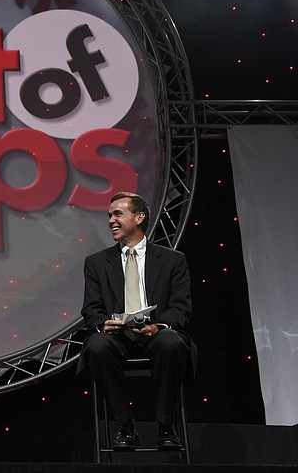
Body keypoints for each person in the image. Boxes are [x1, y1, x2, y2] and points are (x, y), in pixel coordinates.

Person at [79, 191, 197, 451]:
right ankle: (124, 425)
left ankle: (166, 425)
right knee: (97, 345)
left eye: (118, 214)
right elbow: (91, 309)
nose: (111, 220)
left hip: (156, 333)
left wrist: (158, 326)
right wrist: (103, 323)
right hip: (117, 338)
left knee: (172, 342)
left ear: (139, 216)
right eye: (109, 215)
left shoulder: (172, 260)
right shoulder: (96, 263)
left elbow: (180, 308)